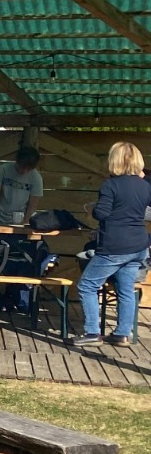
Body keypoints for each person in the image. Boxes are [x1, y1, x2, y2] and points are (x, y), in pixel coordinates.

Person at [70, 142, 150, 347]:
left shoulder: (110, 185)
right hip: (139, 245)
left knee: (87, 285)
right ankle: (122, 334)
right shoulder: (144, 185)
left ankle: (92, 332)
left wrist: (92, 209)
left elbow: (102, 213)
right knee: (126, 290)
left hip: (115, 245)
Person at [0, 146, 44, 225]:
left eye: (28, 169)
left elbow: (33, 205)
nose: (24, 171)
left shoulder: (36, 178)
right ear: (17, 161)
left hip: (20, 219)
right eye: (22, 167)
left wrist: (24, 222)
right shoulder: (3, 169)